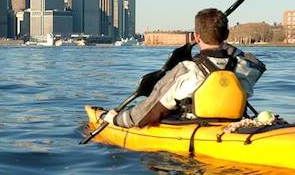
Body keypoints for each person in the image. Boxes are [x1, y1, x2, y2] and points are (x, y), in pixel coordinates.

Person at [104, 8, 266, 128]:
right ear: (227, 35)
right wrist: (221, 40)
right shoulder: (244, 67)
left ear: (196, 37)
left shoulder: (187, 70)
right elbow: (254, 62)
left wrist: (116, 120)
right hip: (233, 126)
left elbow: (148, 112)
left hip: (193, 127)